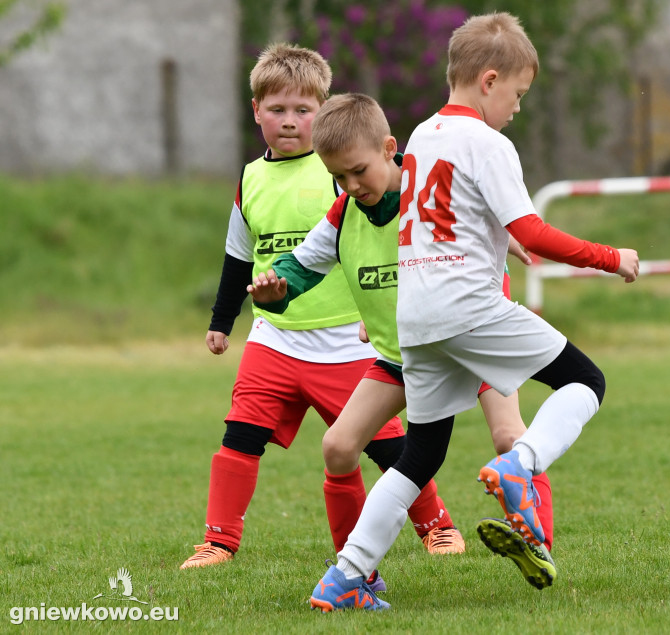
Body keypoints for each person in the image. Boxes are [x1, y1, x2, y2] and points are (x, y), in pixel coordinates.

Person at [297, 13, 640, 611]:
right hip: (471, 305)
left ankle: (346, 576)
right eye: (517, 94)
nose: (516, 107)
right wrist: (611, 257)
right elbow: (531, 230)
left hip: (417, 317)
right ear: (489, 79)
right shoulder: (488, 142)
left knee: (421, 453)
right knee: (586, 380)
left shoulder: (423, 135)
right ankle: (521, 467)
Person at [246, 94, 556, 606]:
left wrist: (505, 231)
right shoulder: (344, 213)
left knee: (507, 437)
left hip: (469, 339)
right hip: (403, 356)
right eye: (339, 178)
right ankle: (357, 575)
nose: (351, 187)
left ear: (391, 149)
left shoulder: (426, 190)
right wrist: (276, 290)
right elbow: (300, 269)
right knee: (338, 448)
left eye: (359, 172)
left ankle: (536, 542)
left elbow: (480, 209)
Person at [180, 43, 464, 572]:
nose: (290, 122)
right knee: (240, 431)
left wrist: (372, 312)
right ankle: (218, 542)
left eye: (303, 110)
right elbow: (237, 256)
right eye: (278, 110)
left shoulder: (340, 170)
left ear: (324, 111)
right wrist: (223, 322)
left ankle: (437, 525)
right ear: (256, 111)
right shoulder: (251, 178)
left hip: (343, 339)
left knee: (383, 446)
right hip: (275, 336)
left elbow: (382, 242)